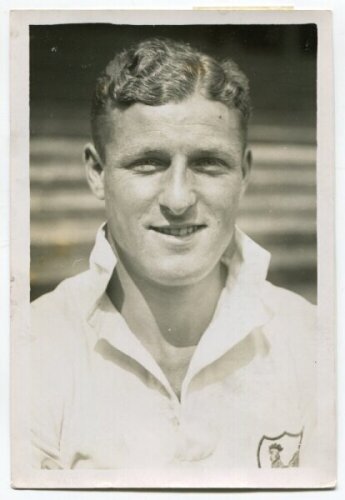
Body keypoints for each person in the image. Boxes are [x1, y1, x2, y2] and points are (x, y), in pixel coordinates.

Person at [31, 38, 317, 472]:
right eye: (148, 162)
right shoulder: (27, 350)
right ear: (96, 172)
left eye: (208, 163)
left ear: (244, 172)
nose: (179, 198)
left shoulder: (317, 344)